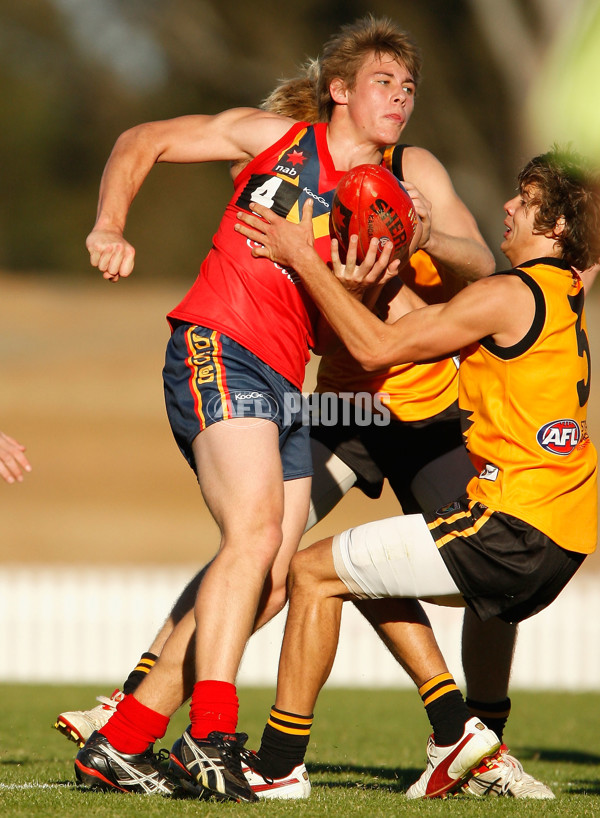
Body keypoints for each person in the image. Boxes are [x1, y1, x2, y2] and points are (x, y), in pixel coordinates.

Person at [61, 16, 549, 799]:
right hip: (236, 353)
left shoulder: (407, 176)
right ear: (340, 91)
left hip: (345, 395)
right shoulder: (274, 141)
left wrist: (404, 243)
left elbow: (469, 263)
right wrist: (109, 225)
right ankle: (209, 731)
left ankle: (123, 737)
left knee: (277, 573)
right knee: (253, 539)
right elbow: (142, 138)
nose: (402, 98)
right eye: (385, 83)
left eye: (410, 86)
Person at [233, 144, 600, 798]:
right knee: (368, 567)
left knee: (311, 571)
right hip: (565, 541)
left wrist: (300, 255)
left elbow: (376, 347)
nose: (508, 206)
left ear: (558, 227)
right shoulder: (568, 289)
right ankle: (466, 738)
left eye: (527, 199)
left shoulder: (509, 294)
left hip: (513, 530)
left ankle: (277, 765)